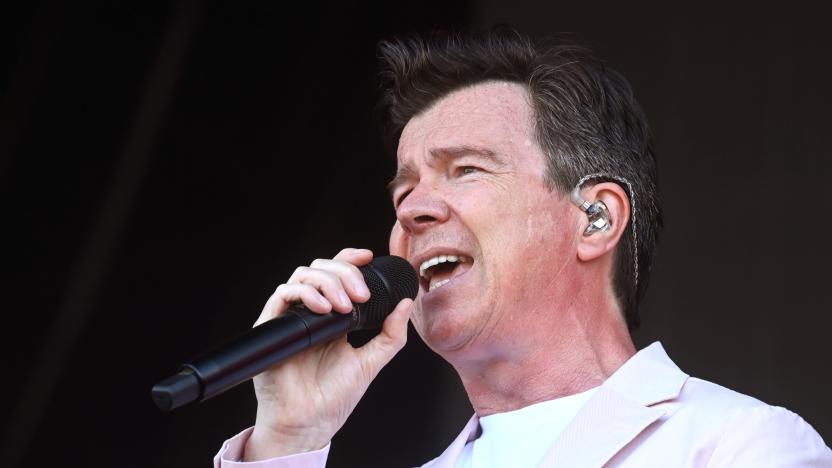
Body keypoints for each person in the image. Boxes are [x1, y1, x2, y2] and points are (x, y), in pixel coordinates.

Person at [214, 28, 831, 467]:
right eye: (403, 190)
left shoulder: (738, 446)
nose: (412, 209)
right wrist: (290, 439)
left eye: (466, 170)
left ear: (594, 219)